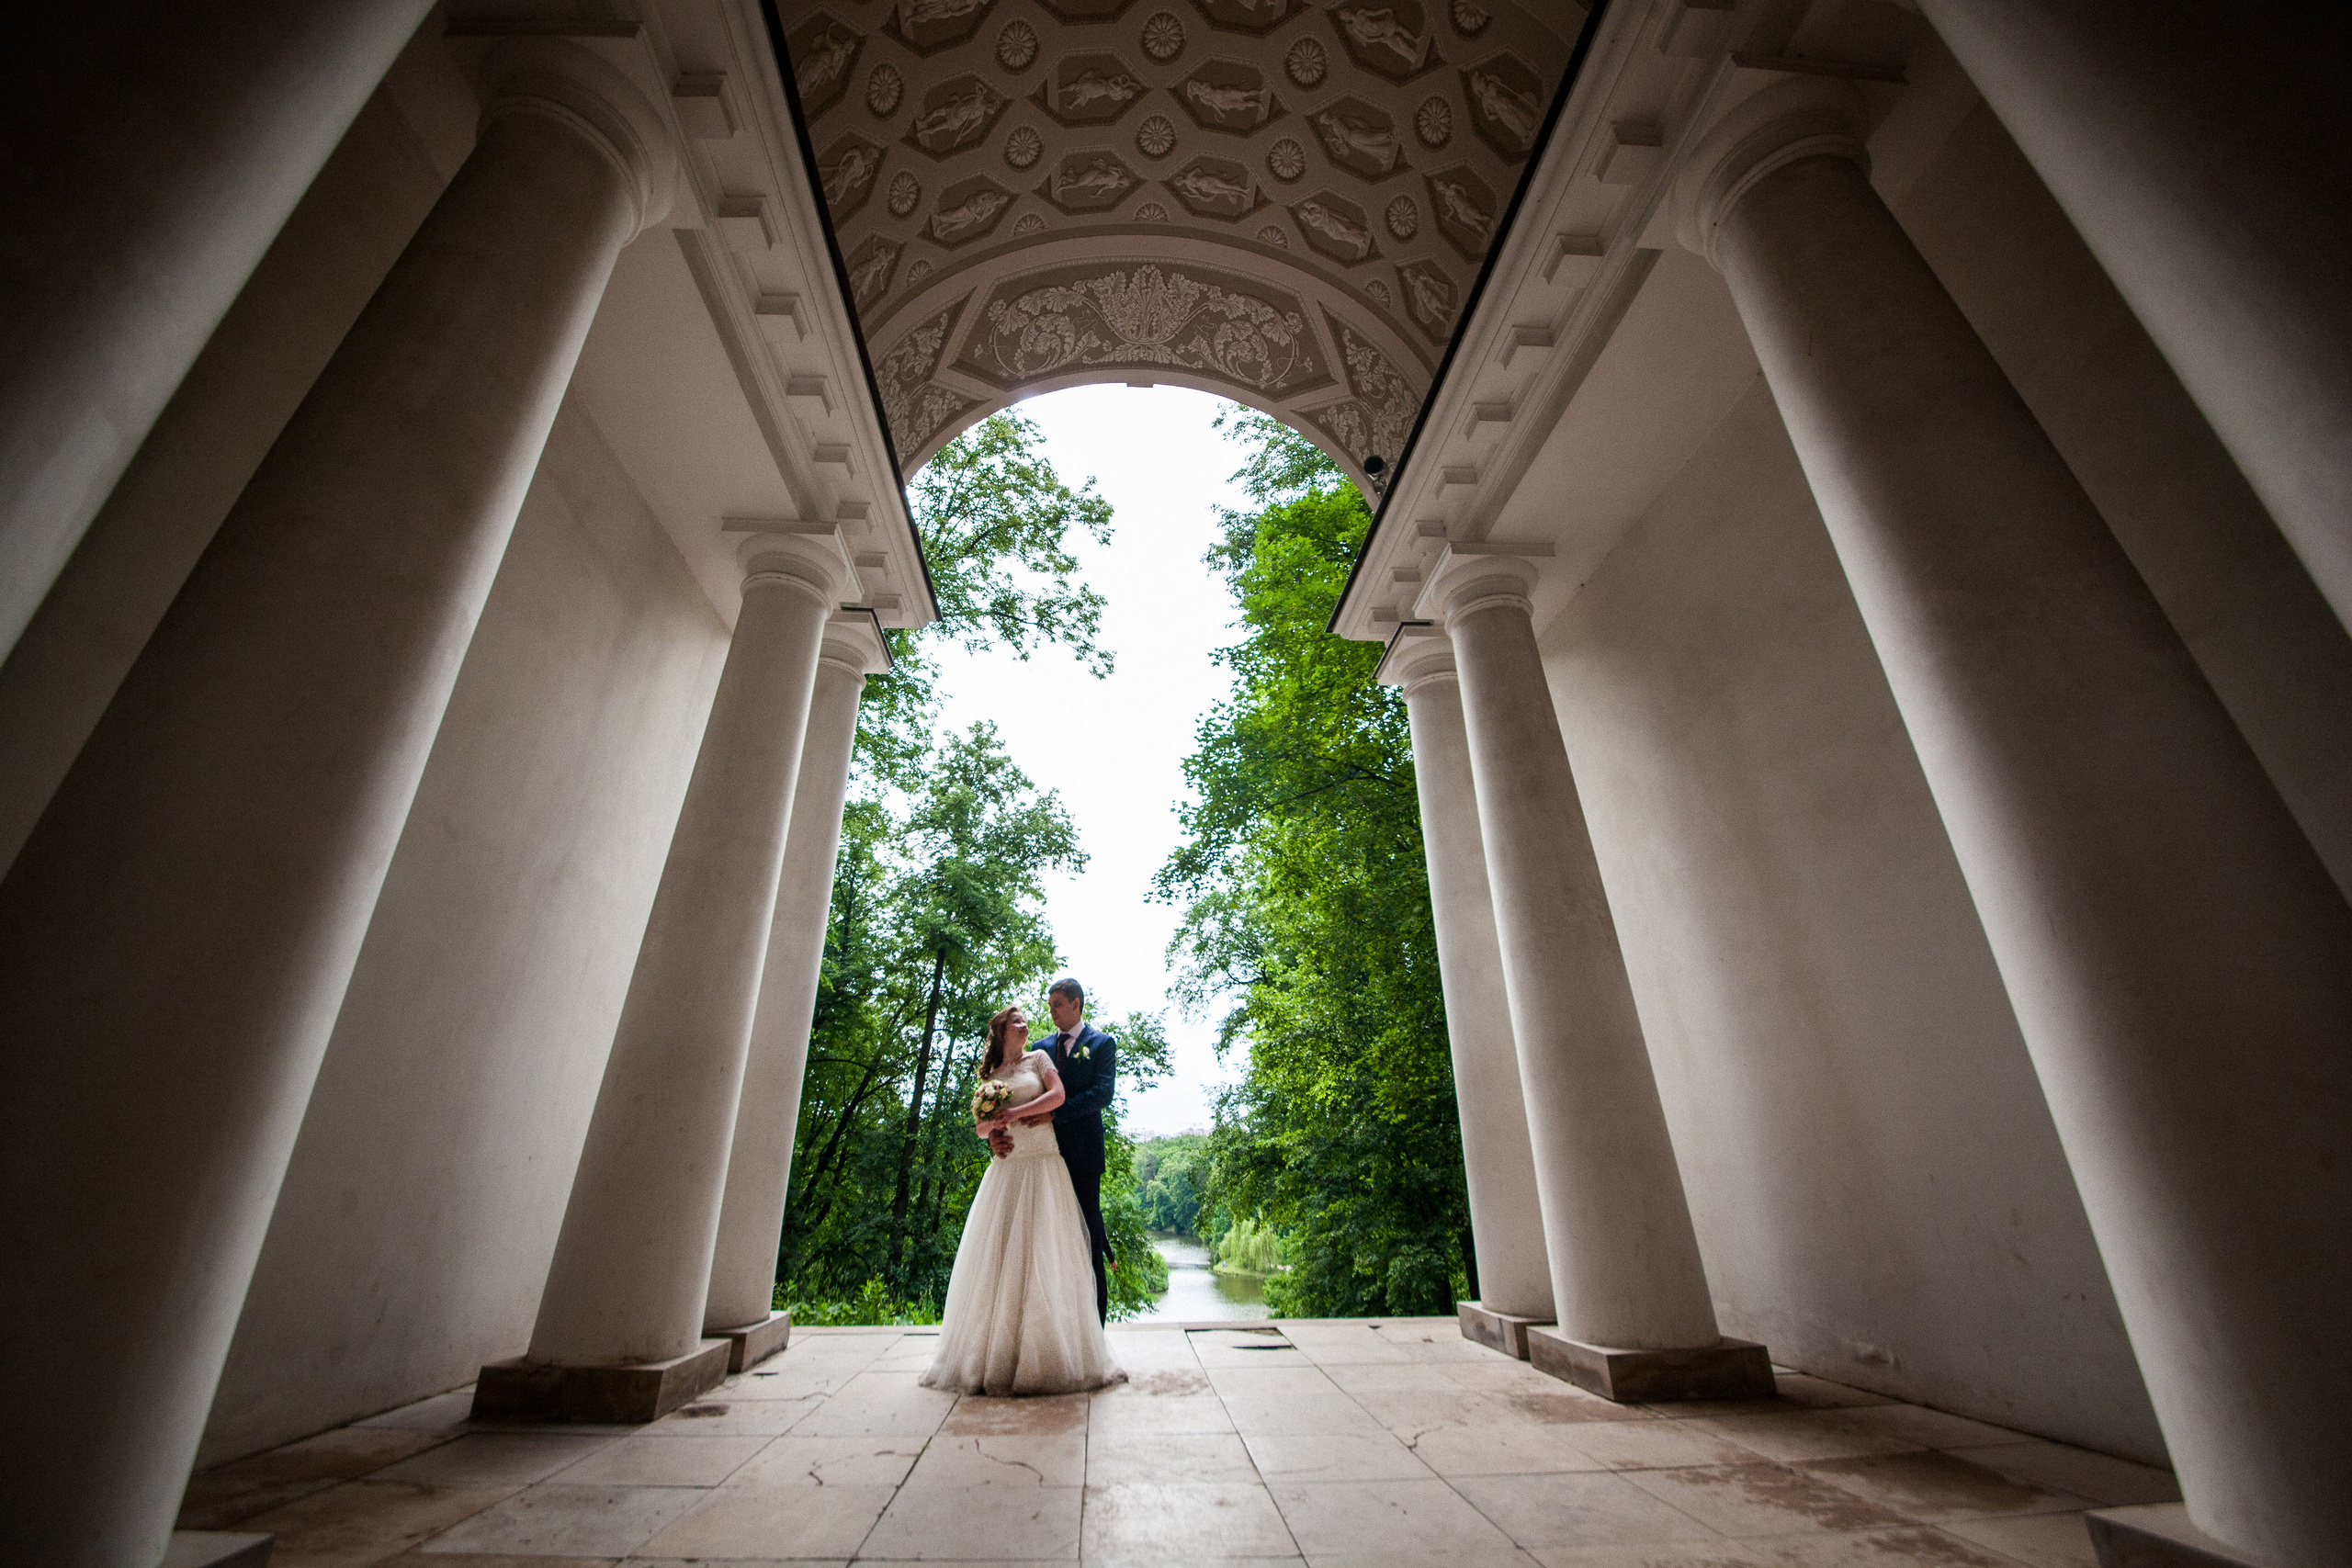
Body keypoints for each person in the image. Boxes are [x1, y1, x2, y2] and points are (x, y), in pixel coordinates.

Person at [919, 1003, 1124, 1396]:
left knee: (1050, 1254)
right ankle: (1000, 1353)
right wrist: (992, 1135)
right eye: (1017, 1021)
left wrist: (1016, 1114)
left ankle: (1060, 1349)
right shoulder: (990, 1076)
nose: (1025, 1024)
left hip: (1045, 1163)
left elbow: (1058, 1096)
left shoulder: (1041, 1057)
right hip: (1008, 1169)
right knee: (1002, 1258)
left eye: (1026, 1020)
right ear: (1000, 1031)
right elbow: (981, 1126)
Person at [1016, 977, 1117, 1322]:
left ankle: (1095, 1330)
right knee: (1045, 1241)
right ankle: (1054, 1325)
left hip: (1084, 1158)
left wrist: (1056, 1112)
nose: (1052, 1012)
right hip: (1043, 1154)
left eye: (1058, 1005)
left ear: (1076, 1004)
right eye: (1049, 1006)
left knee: (1089, 1239)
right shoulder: (1041, 1049)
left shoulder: (1101, 1044)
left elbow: (1102, 1094)